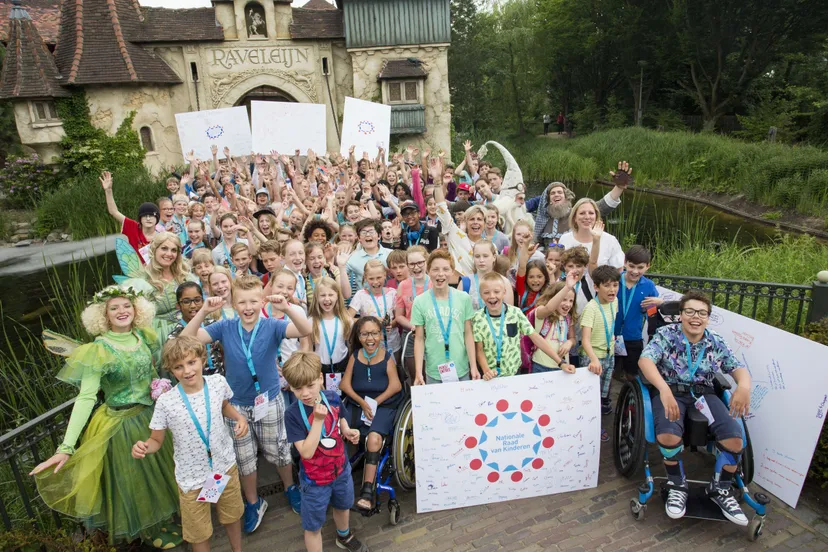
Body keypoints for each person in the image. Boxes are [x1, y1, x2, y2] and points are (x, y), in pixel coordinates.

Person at [31, 286, 181, 548]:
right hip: (120, 425)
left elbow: (152, 375)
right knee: (135, 480)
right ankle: (149, 532)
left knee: (161, 473)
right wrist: (66, 447)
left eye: (127, 306)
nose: (122, 311)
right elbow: (87, 397)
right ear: (104, 315)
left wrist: (160, 389)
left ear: (136, 310)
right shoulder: (98, 350)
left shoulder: (142, 336)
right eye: (114, 308)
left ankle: (167, 522)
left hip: (150, 417)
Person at [180, 276, 312, 532]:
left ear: (262, 300)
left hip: (269, 400)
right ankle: (253, 501)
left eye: (253, 301)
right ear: (233, 303)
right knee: (244, 457)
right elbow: (188, 339)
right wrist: (205, 311)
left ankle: (290, 487)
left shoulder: (273, 325)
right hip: (236, 405)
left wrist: (287, 308)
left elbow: (305, 329)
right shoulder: (225, 326)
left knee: (280, 449)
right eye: (242, 302)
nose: (248, 307)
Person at [639, 291, 751, 526]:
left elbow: (736, 367)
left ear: (708, 317)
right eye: (689, 311)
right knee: (668, 434)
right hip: (671, 391)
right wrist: (664, 389)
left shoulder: (715, 341)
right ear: (681, 315)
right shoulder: (666, 334)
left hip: (703, 395)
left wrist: (744, 386)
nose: (695, 317)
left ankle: (720, 489)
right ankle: (676, 484)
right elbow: (645, 361)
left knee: (735, 440)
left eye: (702, 313)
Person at [134, 337, 248, 552]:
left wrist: (239, 418)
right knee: (198, 532)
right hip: (191, 477)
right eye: (178, 366)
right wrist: (144, 446)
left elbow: (224, 406)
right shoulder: (166, 402)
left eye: (191, 362)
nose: (187, 371)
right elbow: (156, 439)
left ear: (202, 360)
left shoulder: (217, 383)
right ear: (171, 370)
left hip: (224, 466)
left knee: (232, 516)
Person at [282, 352, 368, 552]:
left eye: (310, 385)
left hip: (340, 471)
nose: (305, 393)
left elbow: (341, 418)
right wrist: (318, 420)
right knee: (313, 525)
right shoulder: (292, 414)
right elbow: (306, 452)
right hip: (315, 481)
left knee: (343, 506)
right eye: (297, 388)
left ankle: (344, 536)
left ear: (320, 378)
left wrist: (347, 431)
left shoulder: (331, 397)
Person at [339, 316, 403, 512]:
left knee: (374, 439)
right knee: (338, 431)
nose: (370, 338)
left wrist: (375, 402)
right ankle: (336, 479)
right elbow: (344, 385)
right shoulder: (355, 356)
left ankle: (367, 491)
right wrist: (362, 402)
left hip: (383, 404)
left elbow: (396, 386)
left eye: (375, 333)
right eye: (365, 334)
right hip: (358, 403)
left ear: (380, 335)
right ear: (359, 336)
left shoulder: (386, 357)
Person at [472, 272, 567, 379]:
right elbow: (479, 350)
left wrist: (560, 362)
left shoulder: (515, 313)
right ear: (480, 295)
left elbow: (535, 337)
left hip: (514, 374)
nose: (492, 296)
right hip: (490, 377)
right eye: (486, 292)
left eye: (497, 292)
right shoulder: (477, 318)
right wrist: (486, 370)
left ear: (504, 293)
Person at [411, 250, 478, 385]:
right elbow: (419, 339)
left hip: (461, 369)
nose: (440, 274)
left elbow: (468, 334)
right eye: (435, 269)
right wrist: (419, 371)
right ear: (428, 271)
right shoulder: (420, 301)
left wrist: (473, 366)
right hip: (434, 370)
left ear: (452, 271)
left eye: (446, 269)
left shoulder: (463, 298)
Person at [527, 162, 631, 247]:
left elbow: (603, 206)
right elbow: (537, 244)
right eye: (553, 193)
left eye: (560, 192)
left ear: (566, 197)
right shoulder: (543, 220)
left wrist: (619, 187)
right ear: (549, 199)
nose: (556, 195)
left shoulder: (577, 214)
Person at [124, 232, 196, 337]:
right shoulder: (143, 281)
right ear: (154, 250)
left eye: (173, 250)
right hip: (159, 335)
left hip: (190, 327)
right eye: (164, 248)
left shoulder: (184, 275)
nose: (169, 254)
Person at [579, 265, 620, 439]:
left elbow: (610, 324)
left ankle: (596, 426)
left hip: (609, 356)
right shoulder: (591, 308)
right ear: (596, 287)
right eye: (607, 285)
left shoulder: (614, 302)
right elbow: (585, 340)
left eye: (616, 285)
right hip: (592, 360)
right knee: (589, 399)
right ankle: (588, 429)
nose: (612, 290)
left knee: (602, 397)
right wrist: (594, 359)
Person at [614, 245, 661, 381]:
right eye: (631, 266)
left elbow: (653, 311)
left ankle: (630, 396)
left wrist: (660, 302)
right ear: (625, 263)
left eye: (640, 267)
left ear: (647, 266)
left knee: (632, 373)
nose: (635, 271)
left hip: (633, 336)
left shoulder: (649, 286)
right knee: (609, 370)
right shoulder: (614, 280)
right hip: (611, 335)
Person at [301, 277, 353, 391]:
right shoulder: (311, 321)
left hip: (342, 367)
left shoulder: (346, 319)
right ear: (316, 297)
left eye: (331, 295)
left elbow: (350, 345)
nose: (327, 299)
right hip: (320, 369)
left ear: (337, 296)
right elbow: (309, 349)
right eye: (322, 295)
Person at [559, 200, 625, 284]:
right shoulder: (565, 239)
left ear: (596, 217)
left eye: (591, 213)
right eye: (582, 213)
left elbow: (619, 270)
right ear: (574, 218)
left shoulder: (610, 240)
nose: (587, 217)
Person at [100, 170, 157, 264]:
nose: (148, 218)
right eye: (144, 216)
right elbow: (113, 212)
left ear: (157, 219)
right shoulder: (133, 227)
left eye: (151, 216)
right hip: (137, 273)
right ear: (140, 219)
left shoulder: (162, 235)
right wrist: (108, 191)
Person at [168, 282, 224, 376]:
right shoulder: (175, 335)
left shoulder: (212, 324)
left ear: (203, 301)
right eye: (186, 301)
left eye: (197, 300)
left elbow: (224, 352)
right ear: (178, 305)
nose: (193, 305)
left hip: (221, 377)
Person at [348, 260, 400, 359]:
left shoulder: (392, 293)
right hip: (369, 344)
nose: (375, 282)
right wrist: (369, 321)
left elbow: (398, 318)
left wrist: (391, 324)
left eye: (379, 277)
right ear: (366, 278)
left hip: (392, 343)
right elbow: (347, 318)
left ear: (385, 275)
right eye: (371, 278)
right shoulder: (361, 295)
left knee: (393, 370)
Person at [394, 245, 430, 381]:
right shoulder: (403, 285)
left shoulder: (434, 283)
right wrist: (413, 326)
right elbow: (399, 316)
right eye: (412, 264)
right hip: (411, 335)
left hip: (433, 334)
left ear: (426, 261)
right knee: (416, 377)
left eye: (420, 263)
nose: (416, 267)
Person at [527, 281, 577, 373]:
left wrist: (569, 342)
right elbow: (549, 308)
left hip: (562, 366)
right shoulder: (541, 313)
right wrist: (567, 287)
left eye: (571, 301)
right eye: (564, 299)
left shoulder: (568, 318)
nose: (568, 304)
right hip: (540, 365)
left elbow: (573, 338)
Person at [470, 241, 514, 309]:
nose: (481, 260)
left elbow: (510, 312)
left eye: (485, 256)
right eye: (477, 256)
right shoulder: (465, 282)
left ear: (494, 257)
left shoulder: (504, 282)